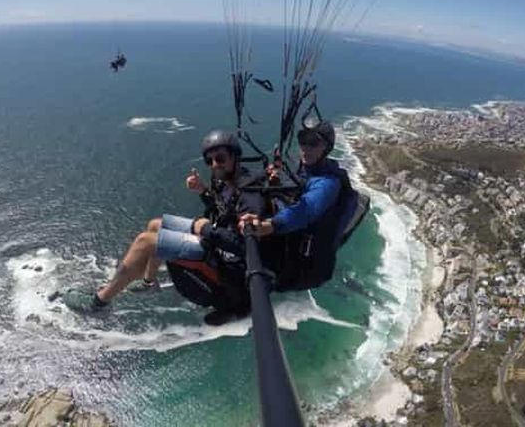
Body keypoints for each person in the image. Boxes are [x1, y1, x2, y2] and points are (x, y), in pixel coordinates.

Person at [63, 130, 266, 313]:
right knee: (155, 225)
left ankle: (98, 303)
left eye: (220, 158)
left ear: (235, 156)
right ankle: (149, 283)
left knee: (146, 242)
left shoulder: (250, 194)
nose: (214, 165)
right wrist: (203, 191)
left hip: (227, 261)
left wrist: (204, 229)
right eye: (209, 160)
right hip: (215, 236)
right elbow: (224, 210)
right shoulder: (230, 181)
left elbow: (245, 245)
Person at [239, 116, 356, 290]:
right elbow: (293, 191)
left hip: (303, 269)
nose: (306, 148)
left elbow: (306, 209)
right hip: (288, 245)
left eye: (313, 143)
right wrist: (276, 182)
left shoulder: (328, 183)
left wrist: (270, 225)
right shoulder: (300, 169)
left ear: (326, 148)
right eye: (303, 140)